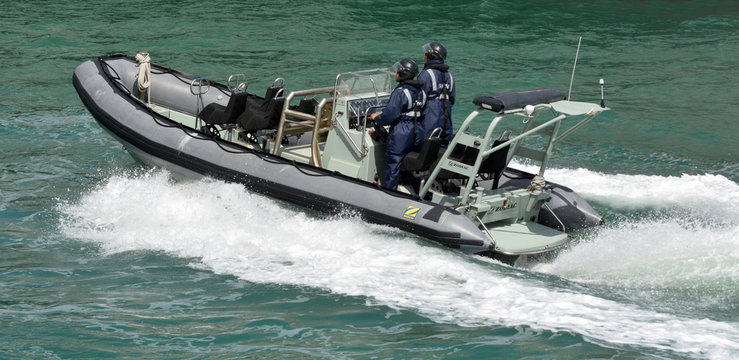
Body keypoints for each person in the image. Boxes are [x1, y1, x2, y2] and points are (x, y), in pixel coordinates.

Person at [370, 58, 427, 190]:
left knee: (394, 163)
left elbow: (389, 115)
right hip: (418, 130)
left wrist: (376, 118)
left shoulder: (400, 92)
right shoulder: (421, 91)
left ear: (403, 74)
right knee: (414, 167)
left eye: (397, 72)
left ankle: (390, 193)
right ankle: (417, 191)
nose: (395, 74)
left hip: (402, 132)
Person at [417, 42, 455, 146]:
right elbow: (452, 99)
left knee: (426, 147)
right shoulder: (449, 75)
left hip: (431, 117)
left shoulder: (426, 74)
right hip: (447, 118)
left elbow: (419, 100)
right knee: (443, 148)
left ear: (430, 56)